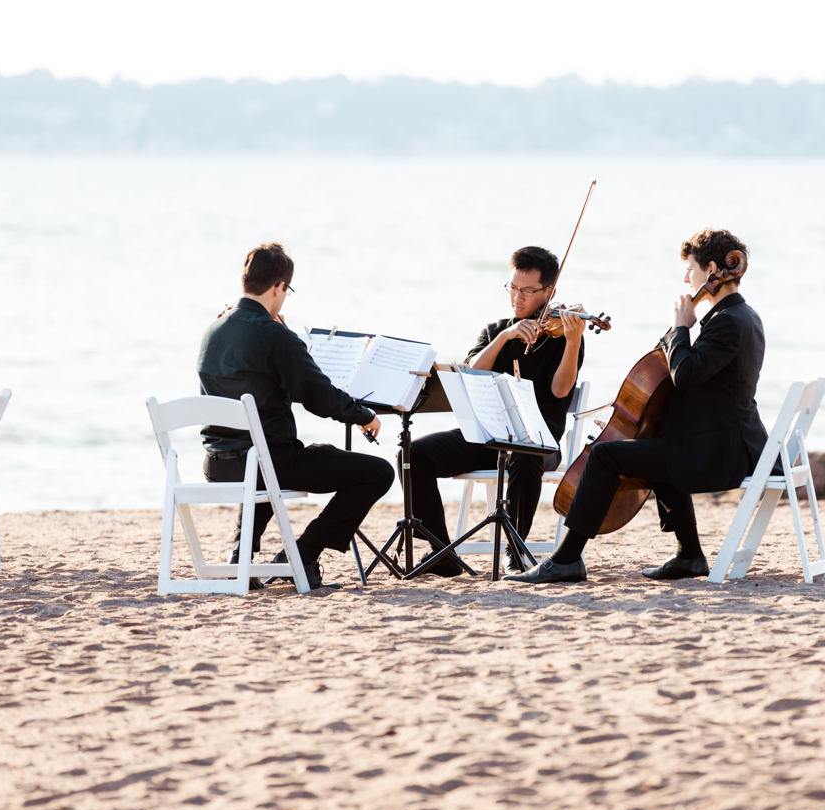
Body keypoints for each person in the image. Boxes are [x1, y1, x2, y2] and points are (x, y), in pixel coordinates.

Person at [506, 229, 765, 584]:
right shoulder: (738, 317)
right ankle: (689, 555)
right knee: (658, 448)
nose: (686, 277)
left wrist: (679, 329)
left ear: (712, 269)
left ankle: (566, 559)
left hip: (719, 452)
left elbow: (685, 374)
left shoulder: (726, 323)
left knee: (604, 457)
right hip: (722, 442)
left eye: (690, 268)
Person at [199, 242, 392, 589]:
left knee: (265, 455)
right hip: (267, 464)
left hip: (219, 463)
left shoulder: (212, 330)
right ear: (278, 287)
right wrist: (364, 415)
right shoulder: (276, 336)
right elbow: (320, 398)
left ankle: (238, 555)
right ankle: (302, 553)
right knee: (378, 472)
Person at [406, 246, 586, 574]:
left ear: (550, 292)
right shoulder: (495, 331)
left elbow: (560, 391)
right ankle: (441, 550)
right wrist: (505, 336)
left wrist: (573, 342)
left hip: (538, 443)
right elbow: (470, 372)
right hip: (487, 437)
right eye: (513, 288)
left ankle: (514, 550)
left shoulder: (564, 336)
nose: (517, 297)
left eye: (528, 291)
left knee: (524, 453)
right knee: (414, 453)